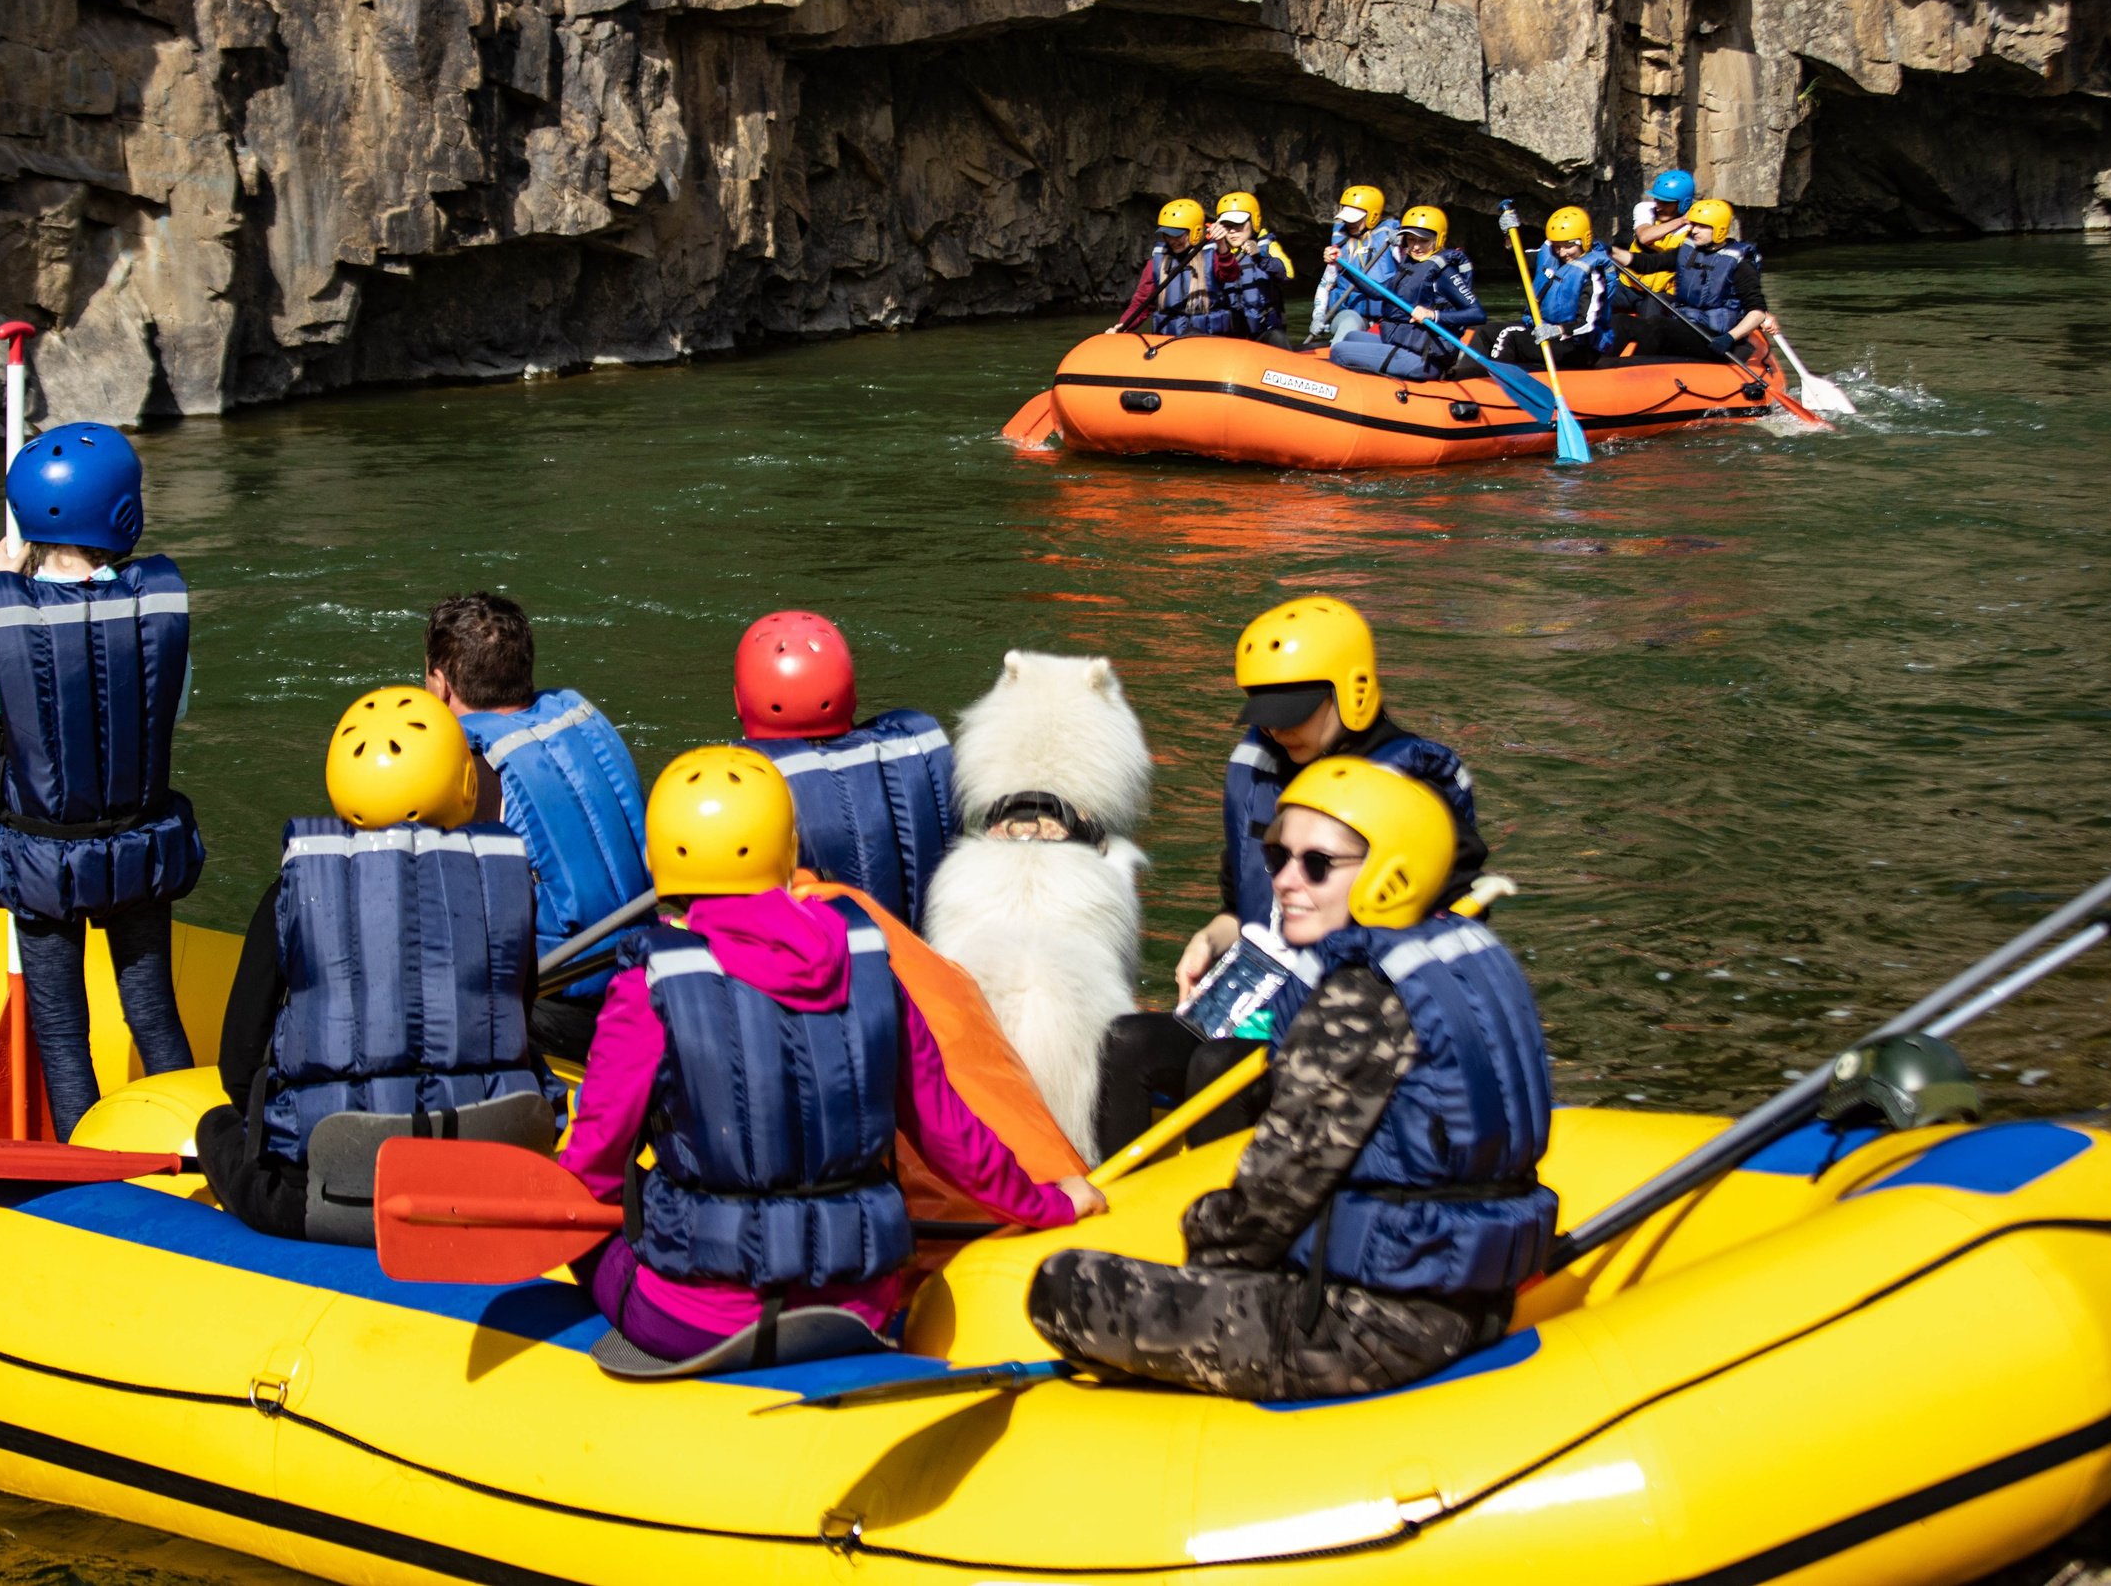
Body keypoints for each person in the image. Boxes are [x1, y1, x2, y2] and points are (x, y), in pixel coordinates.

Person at [1028, 757, 1555, 1401]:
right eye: (1278, 858)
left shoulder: (1359, 1000)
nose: (1283, 882)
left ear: (1392, 870)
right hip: (1476, 1300)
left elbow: (1267, 1203)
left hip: (1360, 1331)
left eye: (1317, 865)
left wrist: (1203, 1250)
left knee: (1062, 1286)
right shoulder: (1472, 955)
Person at [560, 746, 1106, 1366]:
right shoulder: (870, 964)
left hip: (697, 1322)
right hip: (857, 1310)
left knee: (594, 1243)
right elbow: (950, 1135)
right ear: (788, 849)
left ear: (659, 860)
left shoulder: (646, 987)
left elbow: (592, 1170)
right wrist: (1051, 1202)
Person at [1090, 594, 1485, 1159]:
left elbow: (1448, 930)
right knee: (1125, 1040)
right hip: (1253, 998)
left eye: (1292, 713)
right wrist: (1209, 939)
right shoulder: (1260, 771)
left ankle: (1227, 1226)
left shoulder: (1415, 787)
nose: (1274, 732)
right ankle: (1121, 1211)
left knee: (1217, 1065)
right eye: (1263, 714)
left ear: (1352, 692)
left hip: (1351, 1019)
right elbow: (1243, 910)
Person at [196, 686, 550, 1240]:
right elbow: (517, 1029)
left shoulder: (290, 893)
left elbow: (238, 1063)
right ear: (464, 783)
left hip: (329, 1194)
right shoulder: (507, 887)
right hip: (484, 1179)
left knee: (213, 1127)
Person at [0, 422, 201, 1141]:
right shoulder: (157, 606)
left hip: (43, 856)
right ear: (122, 512)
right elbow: (173, 700)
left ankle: (86, 1151)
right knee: (152, 1010)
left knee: (60, 1022)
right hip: (142, 846)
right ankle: (190, 1139)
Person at [424, 591, 649, 1063]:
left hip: (564, 999)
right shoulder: (579, 724)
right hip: (641, 968)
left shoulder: (475, 770)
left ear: (441, 684)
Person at [734, 609, 961, 931]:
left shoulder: (739, 783)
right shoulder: (921, 742)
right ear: (851, 696)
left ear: (740, 703)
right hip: (936, 959)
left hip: (839, 971)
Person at [1324, 207, 1484, 379]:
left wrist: (1433, 315)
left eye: (1423, 240)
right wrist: (1342, 266)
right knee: (1351, 336)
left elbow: (1477, 314)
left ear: (1439, 238)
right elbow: (1376, 292)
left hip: (1423, 358)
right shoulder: (1411, 265)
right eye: (1411, 239)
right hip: (1408, 344)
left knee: (1340, 351)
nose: (1416, 246)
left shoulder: (1445, 273)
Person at [1615, 199, 1777, 357]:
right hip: (1687, 325)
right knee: (1622, 322)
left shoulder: (1740, 263)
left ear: (1719, 229)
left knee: (1657, 326)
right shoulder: (1689, 251)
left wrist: (1729, 337)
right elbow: (1647, 263)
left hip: (1716, 336)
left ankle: (1636, 372)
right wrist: (1610, 252)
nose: (1694, 230)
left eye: (1702, 226)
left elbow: (1757, 311)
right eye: (1693, 225)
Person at [1488, 206, 1612, 369]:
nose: (1562, 253)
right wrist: (1509, 237)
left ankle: (1497, 385)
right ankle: (1466, 376)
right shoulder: (1551, 256)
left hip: (1579, 347)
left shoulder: (1594, 274)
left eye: (1568, 246)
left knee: (1509, 336)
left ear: (1585, 240)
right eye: (1557, 246)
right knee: (1486, 331)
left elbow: (1588, 323)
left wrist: (1557, 330)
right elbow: (1517, 259)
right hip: (1545, 331)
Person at [1110, 198, 1241, 337]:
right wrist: (1122, 325)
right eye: (1167, 234)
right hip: (1170, 339)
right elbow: (1141, 302)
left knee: (1193, 333)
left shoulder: (1211, 256)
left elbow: (1231, 275)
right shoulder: (1156, 263)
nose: (1172, 240)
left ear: (1194, 232)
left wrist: (1221, 244)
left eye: (1177, 235)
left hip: (1207, 338)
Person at [1305, 185, 1399, 347]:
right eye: (1347, 218)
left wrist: (1403, 242)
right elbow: (1324, 285)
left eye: (1356, 218)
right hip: (1351, 315)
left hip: (1387, 317)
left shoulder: (1389, 240)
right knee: (1351, 321)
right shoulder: (1339, 246)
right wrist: (1318, 317)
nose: (1350, 223)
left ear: (1372, 216)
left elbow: (1415, 262)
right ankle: (1335, 360)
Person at [1212, 191, 1295, 347]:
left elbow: (1287, 274)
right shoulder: (1215, 252)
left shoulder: (1268, 247)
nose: (1232, 231)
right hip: (1230, 335)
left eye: (1238, 225)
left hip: (1264, 332)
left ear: (1254, 222)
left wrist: (1261, 256)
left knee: (1277, 337)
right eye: (1227, 226)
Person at [1623, 167, 1698, 301]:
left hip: (1661, 294)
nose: (1659, 206)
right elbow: (1645, 236)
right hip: (1628, 286)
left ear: (1683, 204)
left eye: (1666, 203)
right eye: (1657, 200)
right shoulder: (1645, 209)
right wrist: (1682, 221)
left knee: (1653, 306)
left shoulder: (1696, 227)